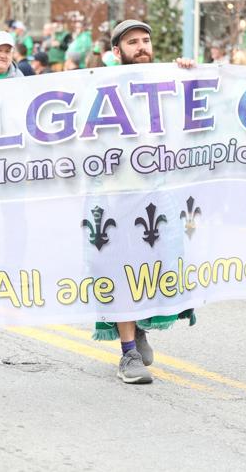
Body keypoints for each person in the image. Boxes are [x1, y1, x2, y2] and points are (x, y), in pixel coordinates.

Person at [93, 19, 196, 384]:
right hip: (117, 195)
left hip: (158, 192)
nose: (141, 46)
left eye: (145, 40)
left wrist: (189, 76)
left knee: (156, 266)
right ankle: (127, 354)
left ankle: (138, 328)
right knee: (122, 270)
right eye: (132, 42)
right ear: (117, 51)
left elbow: (200, 113)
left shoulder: (167, 81)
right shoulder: (101, 86)